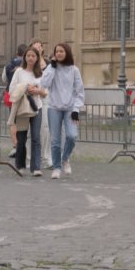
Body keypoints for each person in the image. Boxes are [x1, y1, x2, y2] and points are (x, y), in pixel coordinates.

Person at [41, 43, 84, 179]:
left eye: (61, 51)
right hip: (54, 107)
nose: (59, 53)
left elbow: (79, 90)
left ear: (67, 53)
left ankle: (64, 158)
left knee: (72, 136)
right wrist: (52, 68)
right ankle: (57, 167)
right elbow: (44, 84)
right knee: (55, 140)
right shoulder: (50, 68)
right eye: (56, 51)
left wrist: (76, 108)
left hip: (70, 109)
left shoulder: (74, 70)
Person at [9, 46, 46, 176]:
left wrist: (37, 91)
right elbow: (11, 89)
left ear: (37, 58)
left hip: (37, 108)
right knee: (21, 137)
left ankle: (36, 167)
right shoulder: (19, 72)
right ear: (25, 57)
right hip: (23, 108)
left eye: (33, 56)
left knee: (36, 137)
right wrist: (24, 87)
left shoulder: (41, 74)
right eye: (28, 55)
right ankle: (20, 165)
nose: (30, 58)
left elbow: (45, 93)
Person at [29, 38, 52, 168]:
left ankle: (46, 156)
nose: (38, 47)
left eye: (40, 46)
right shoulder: (30, 63)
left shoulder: (48, 64)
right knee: (31, 130)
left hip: (46, 97)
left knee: (46, 127)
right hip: (32, 98)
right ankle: (31, 156)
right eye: (35, 46)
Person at [2, 43, 26, 158]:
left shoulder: (8, 65)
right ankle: (23, 146)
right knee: (24, 122)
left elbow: (4, 78)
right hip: (25, 96)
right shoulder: (28, 64)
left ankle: (15, 146)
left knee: (13, 121)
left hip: (12, 95)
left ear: (17, 52)